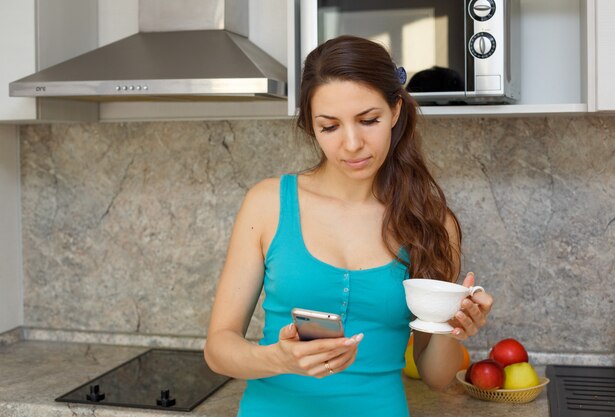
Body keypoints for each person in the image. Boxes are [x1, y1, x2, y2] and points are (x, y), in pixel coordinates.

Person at [204, 35, 494, 416]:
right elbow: (218, 348)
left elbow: (437, 377)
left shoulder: (430, 222)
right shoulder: (268, 203)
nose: (352, 144)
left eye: (368, 120)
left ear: (395, 110)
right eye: (330, 127)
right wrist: (281, 359)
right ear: (311, 126)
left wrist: (454, 327)